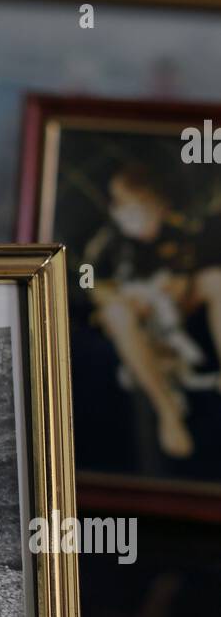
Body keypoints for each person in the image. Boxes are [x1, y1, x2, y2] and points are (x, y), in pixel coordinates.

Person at [87, 163, 221, 459]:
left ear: (163, 208)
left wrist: (178, 286)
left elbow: (188, 271)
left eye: (150, 211)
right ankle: (167, 411)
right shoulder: (108, 243)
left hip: (171, 310)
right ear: (118, 211)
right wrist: (123, 297)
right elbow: (92, 283)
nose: (144, 220)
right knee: (115, 312)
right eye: (134, 211)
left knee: (215, 279)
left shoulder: (176, 234)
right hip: (133, 314)